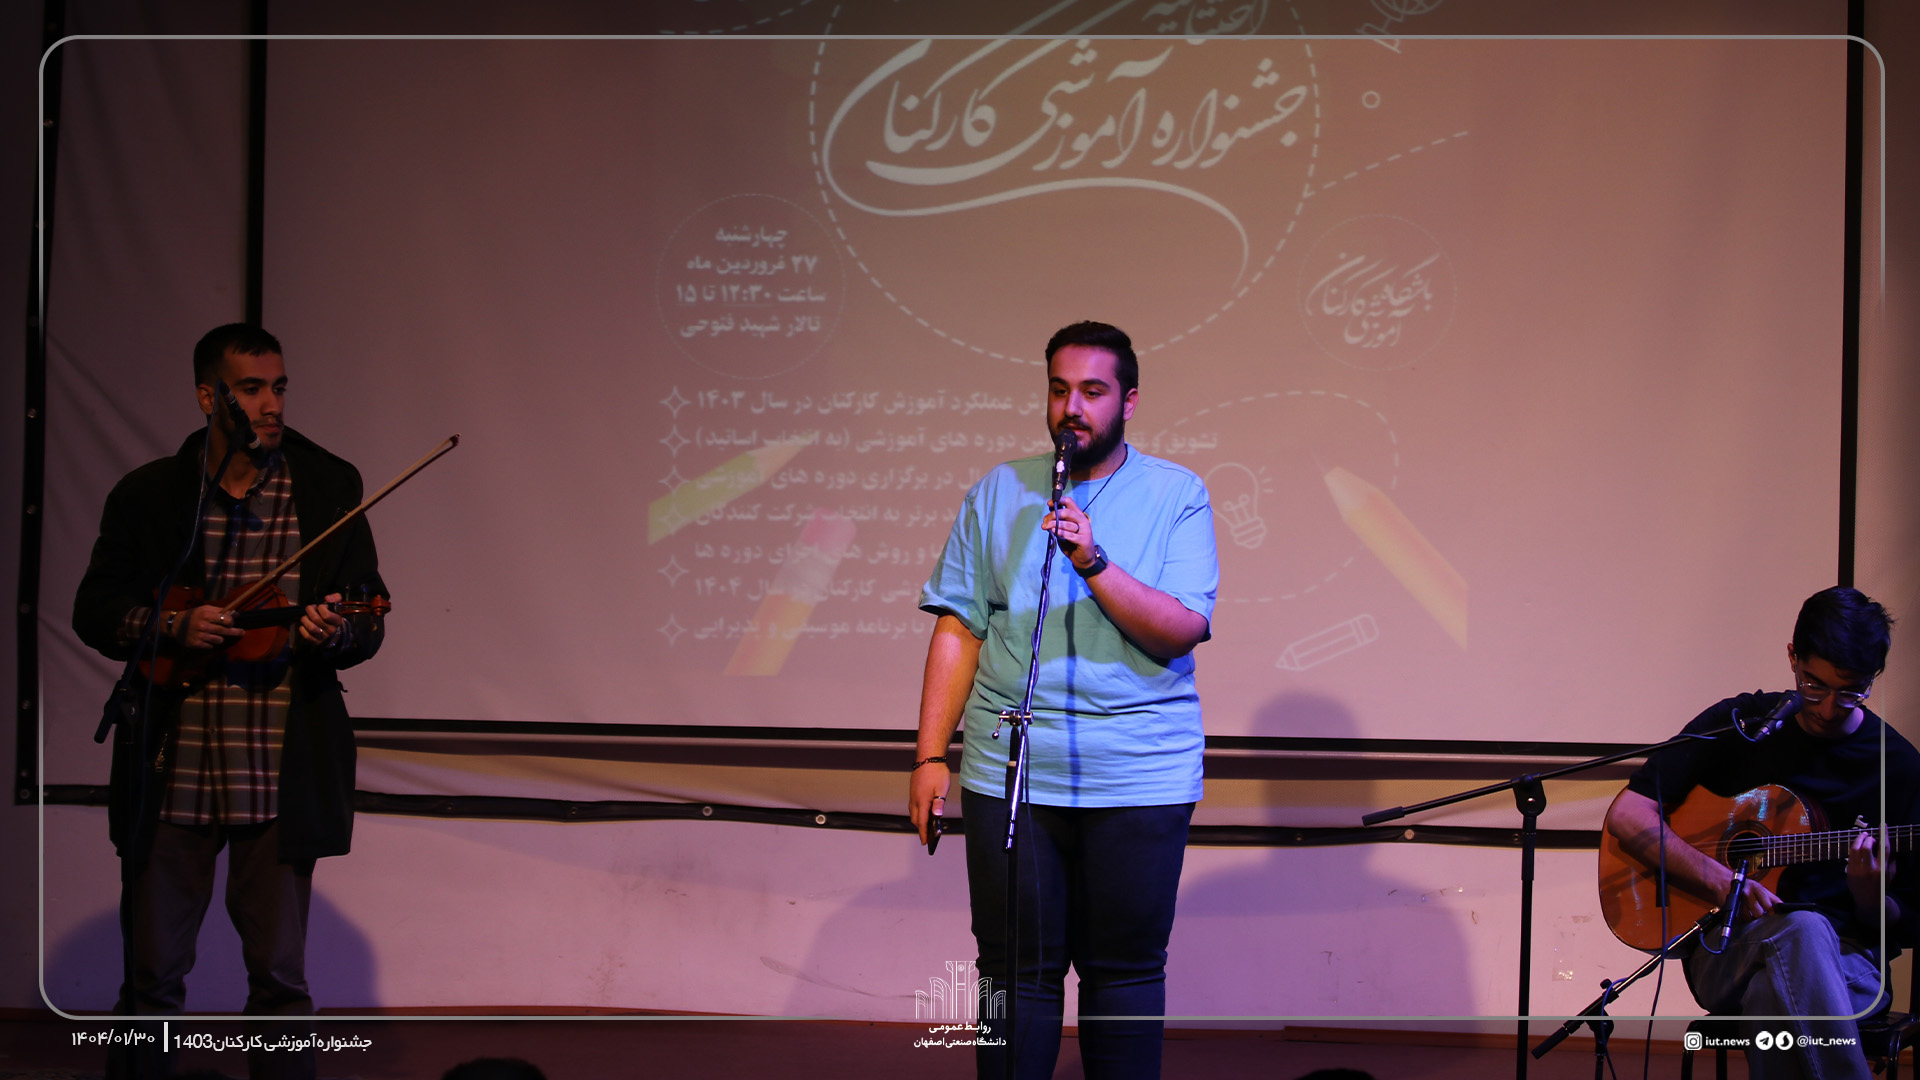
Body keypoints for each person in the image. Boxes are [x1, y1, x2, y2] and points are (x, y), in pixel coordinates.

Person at [72, 324, 386, 1080]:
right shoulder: (151, 495)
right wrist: (168, 626)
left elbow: (368, 614)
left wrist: (335, 631)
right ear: (208, 396)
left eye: (279, 386)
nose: (271, 403)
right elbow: (95, 609)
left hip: (278, 770)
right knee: (150, 982)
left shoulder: (327, 489)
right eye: (251, 388)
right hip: (170, 764)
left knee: (280, 983)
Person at [908, 321, 1218, 1080]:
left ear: (1129, 401)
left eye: (1092, 391)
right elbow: (959, 626)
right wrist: (928, 756)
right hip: (1012, 770)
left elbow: (1181, 628)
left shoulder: (1177, 494)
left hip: (1139, 772)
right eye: (1058, 390)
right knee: (1012, 970)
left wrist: (1094, 560)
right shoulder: (998, 490)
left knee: (1124, 972)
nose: (1071, 408)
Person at [1606, 587, 1916, 1080]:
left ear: (1873, 678)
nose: (1828, 708)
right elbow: (1629, 814)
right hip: (1726, 949)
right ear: (1793, 657)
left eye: (1850, 691)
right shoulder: (1742, 724)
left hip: (1850, 966)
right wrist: (1719, 881)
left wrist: (1870, 896)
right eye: (1814, 685)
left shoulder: (1895, 766)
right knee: (1801, 930)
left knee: (1779, 980)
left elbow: (1906, 921)